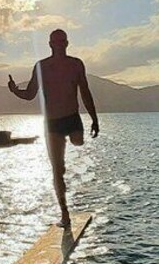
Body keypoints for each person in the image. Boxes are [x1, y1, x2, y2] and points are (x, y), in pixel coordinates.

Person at [8, 29, 99, 227]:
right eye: (55, 41)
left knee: (78, 141)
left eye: (62, 41)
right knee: (58, 170)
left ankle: (71, 141)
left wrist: (94, 118)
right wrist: (15, 91)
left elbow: (85, 92)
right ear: (50, 44)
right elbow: (30, 94)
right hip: (52, 124)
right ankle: (64, 214)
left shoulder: (76, 64)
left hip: (72, 119)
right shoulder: (41, 67)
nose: (59, 44)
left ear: (67, 43)